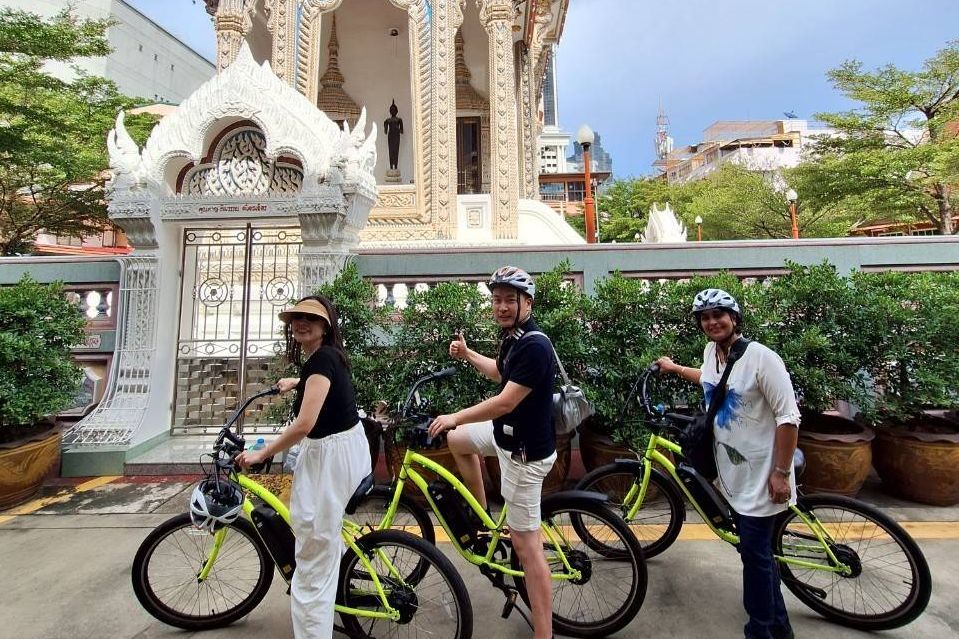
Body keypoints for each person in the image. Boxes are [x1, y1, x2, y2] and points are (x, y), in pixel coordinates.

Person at [656, 288, 799, 639]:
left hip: (764, 475)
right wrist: (675, 369)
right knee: (757, 553)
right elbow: (710, 380)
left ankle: (760, 630)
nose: (712, 322)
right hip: (733, 475)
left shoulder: (762, 358)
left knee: (754, 558)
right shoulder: (713, 353)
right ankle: (780, 627)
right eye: (705, 318)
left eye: (718, 315)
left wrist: (781, 474)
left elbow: (789, 418)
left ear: (734, 318)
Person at [428, 266, 556, 639]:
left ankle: (544, 633)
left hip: (524, 454)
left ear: (527, 303)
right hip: (505, 437)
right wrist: (468, 353)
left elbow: (504, 402)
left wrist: (454, 416)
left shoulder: (534, 345)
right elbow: (501, 373)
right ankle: (484, 517)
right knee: (458, 440)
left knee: (527, 548)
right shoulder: (514, 338)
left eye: (509, 300)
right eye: (497, 300)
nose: (501, 307)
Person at [236, 295, 371, 639]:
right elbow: (322, 386)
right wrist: (297, 382)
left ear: (326, 326)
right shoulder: (327, 357)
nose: (301, 323)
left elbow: (304, 424)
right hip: (341, 451)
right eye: (296, 318)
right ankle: (340, 582)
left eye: (310, 319)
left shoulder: (321, 361)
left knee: (311, 556)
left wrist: (262, 453)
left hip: (330, 458)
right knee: (322, 536)